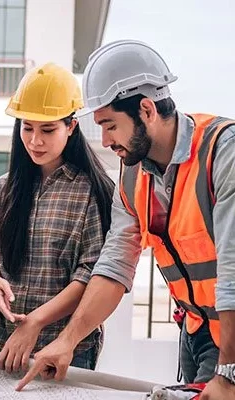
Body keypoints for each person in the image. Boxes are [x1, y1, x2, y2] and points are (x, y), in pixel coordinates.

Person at [16, 40, 235, 400]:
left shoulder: (222, 153)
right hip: (197, 332)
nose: (104, 140)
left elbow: (232, 273)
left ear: (146, 109)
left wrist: (229, 372)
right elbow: (114, 267)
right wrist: (67, 341)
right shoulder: (133, 176)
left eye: (110, 125)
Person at [0, 63, 114, 373]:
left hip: (61, 344)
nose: (35, 141)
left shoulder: (92, 192)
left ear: (71, 127)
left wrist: (35, 321)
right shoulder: (6, 188)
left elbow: (91, 276)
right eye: (27, 127)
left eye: (48, 130)